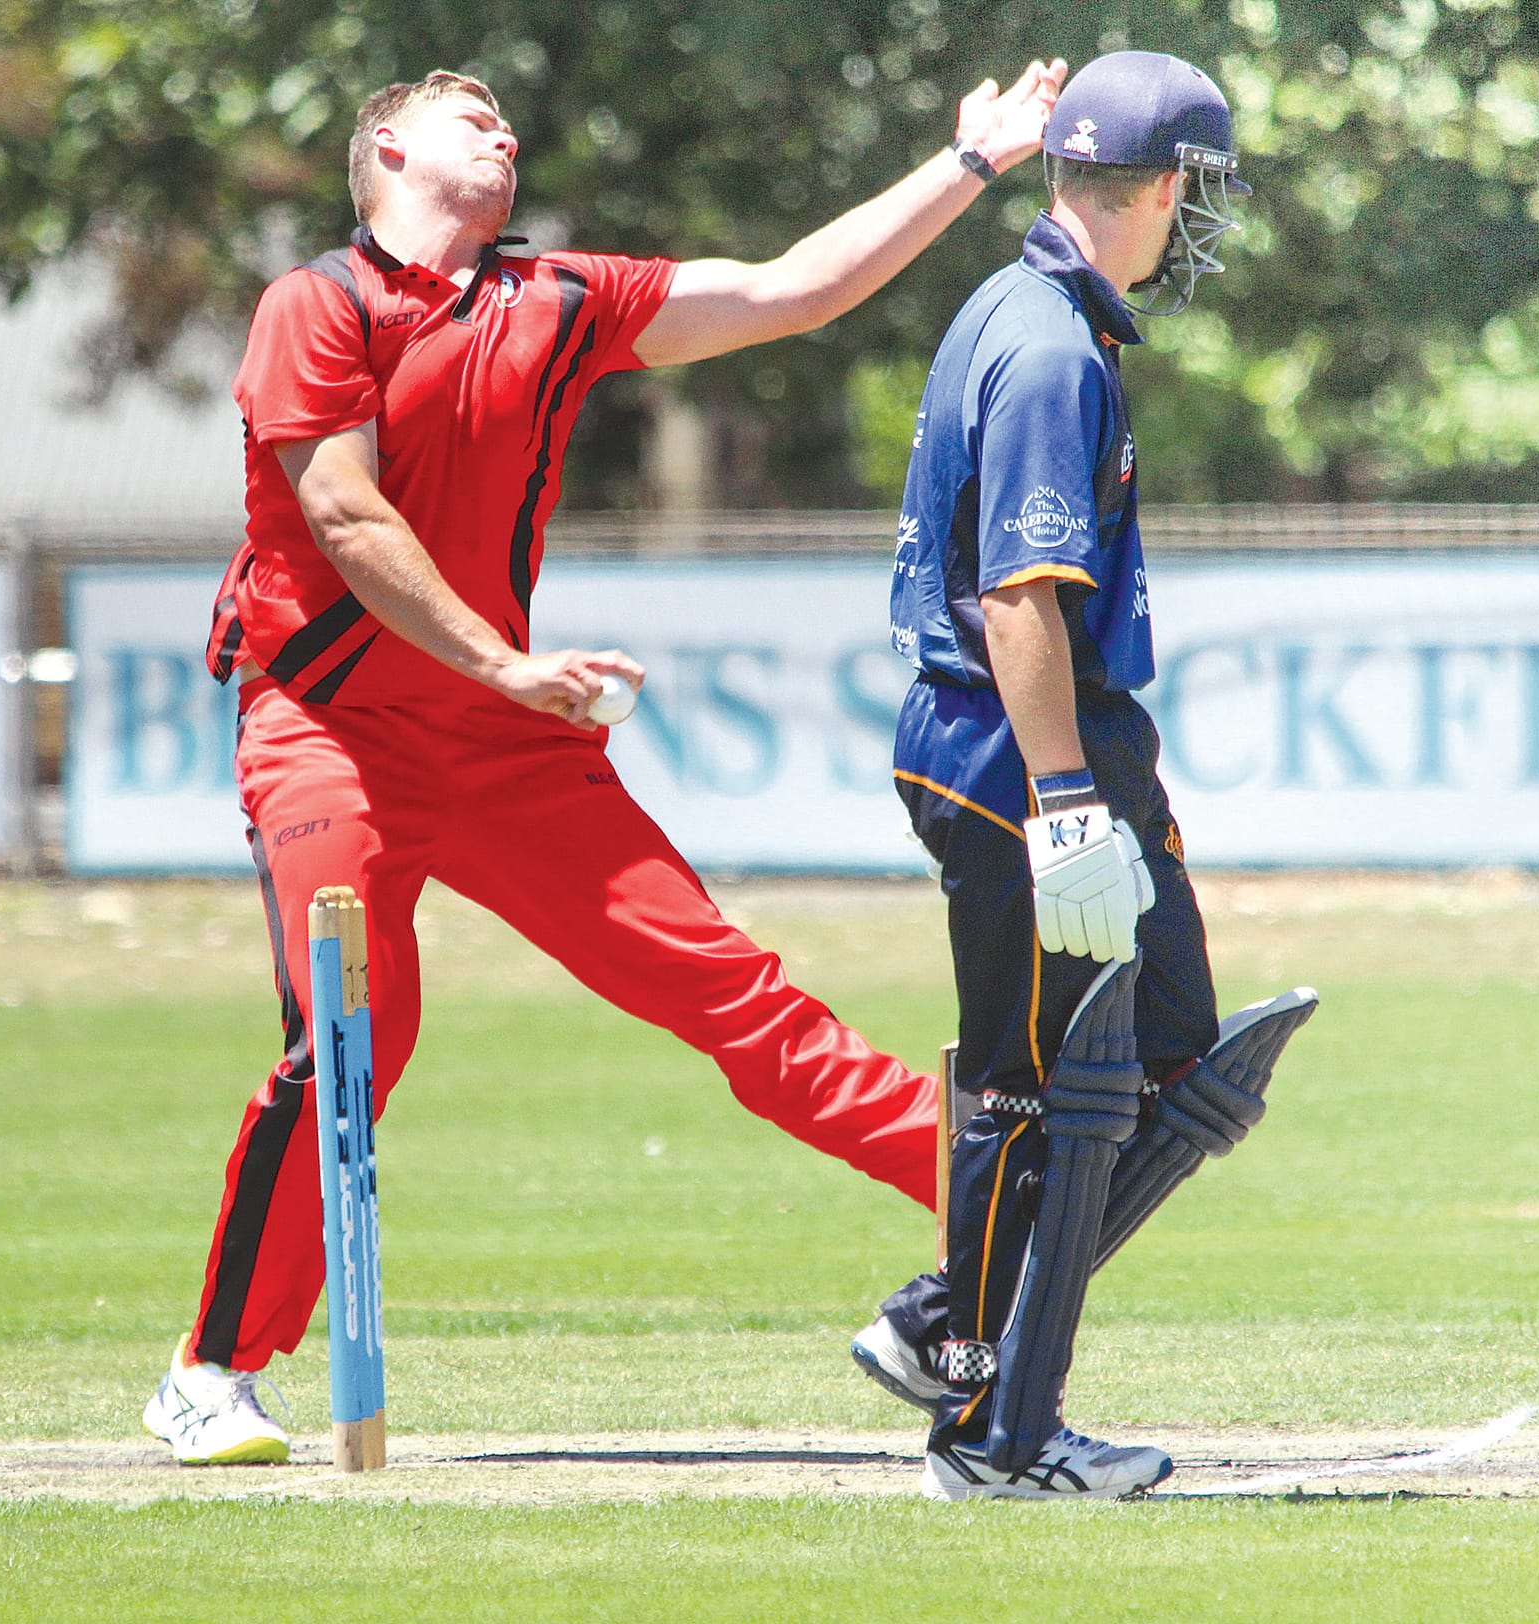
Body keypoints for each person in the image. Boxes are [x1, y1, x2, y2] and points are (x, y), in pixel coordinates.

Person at [141, 59, 1070, 1466]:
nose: (502, 126)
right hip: (331, 727)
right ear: (387, 146)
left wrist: (972, 167)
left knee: (732, 997)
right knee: (351, 1036)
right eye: (466, 114)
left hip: (507, 744)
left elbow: (792, 291)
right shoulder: (315, 303)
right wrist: (506, 664)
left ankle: (1017, 1185)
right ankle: (210, 1371)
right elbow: (343, 510)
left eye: (507, 116)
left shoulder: (558, 298)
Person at [845, 51, 1308, 1501]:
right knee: (1034, 1091)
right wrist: (1062, 804)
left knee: (1178, 1066)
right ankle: (989, 1424)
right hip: (1018, 747)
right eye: (1198, 194)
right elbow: (1017, 599)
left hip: (1040, 744)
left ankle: (952, 1332)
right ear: (1160, 189)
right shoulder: (1047, 344)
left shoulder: (1021, 305)